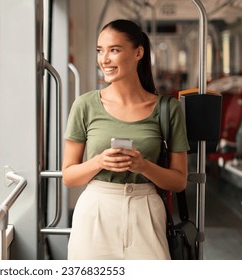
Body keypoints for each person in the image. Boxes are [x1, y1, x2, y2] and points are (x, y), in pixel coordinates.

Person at [62, 19, 190, 260]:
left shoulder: (168, 109)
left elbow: (179, 181)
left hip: (147, 213)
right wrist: (99, 162)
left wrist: (143, 166)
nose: (104, 59)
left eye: (114, 50)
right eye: (100, 51)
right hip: (95, 214)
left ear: (138, 53)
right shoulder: (85, 105)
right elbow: (68, 176)